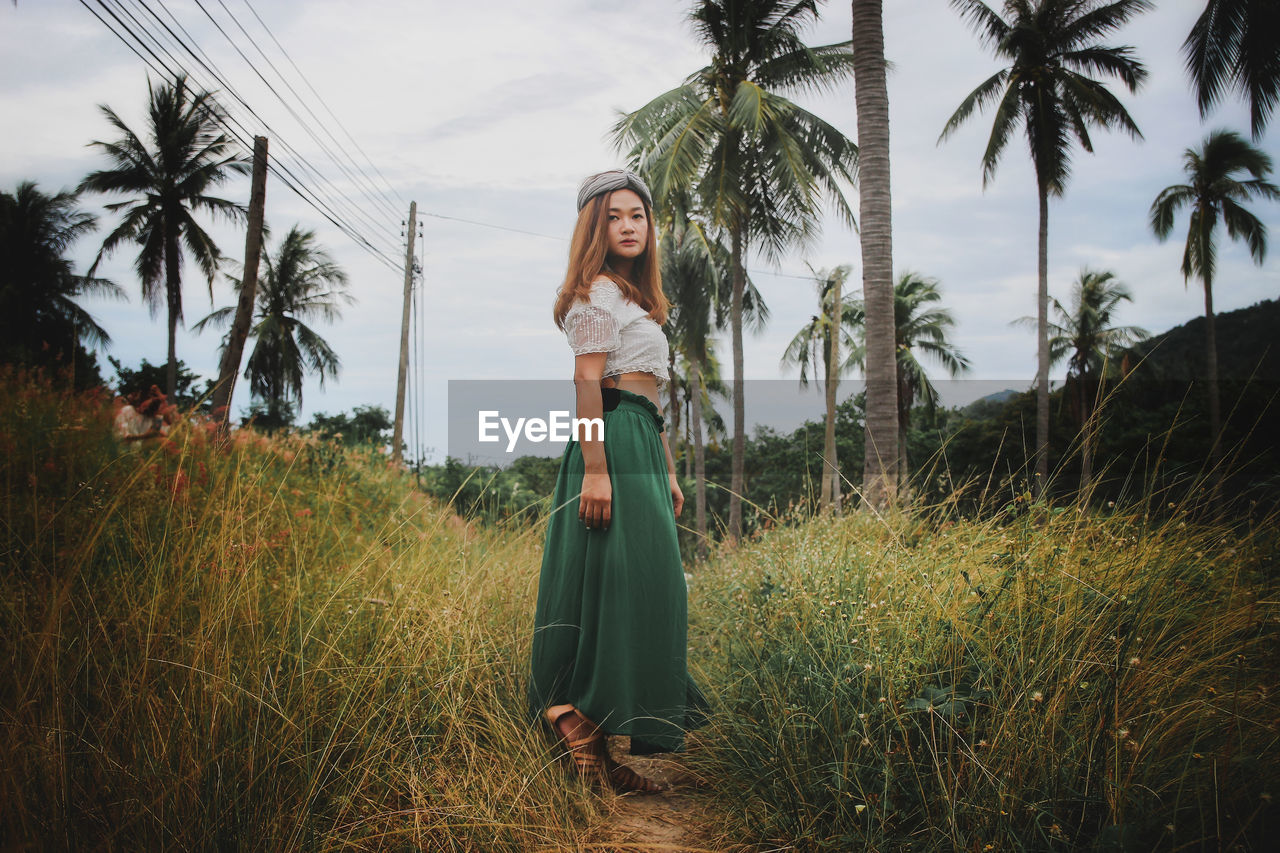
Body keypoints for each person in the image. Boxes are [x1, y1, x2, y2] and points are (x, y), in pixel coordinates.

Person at [528, 169, 708, 795]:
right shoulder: (595, 293)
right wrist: (598, 472)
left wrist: (667, 470)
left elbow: (648, 399)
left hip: (639, 439)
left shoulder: (635, 299)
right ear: (593, 227)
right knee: (617, 581)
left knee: (638, 584)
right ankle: (571, 717)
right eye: (614, 216)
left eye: (638, 214)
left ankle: (595, 742)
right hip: (609, 441)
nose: (630, 225)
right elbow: (588, 385)